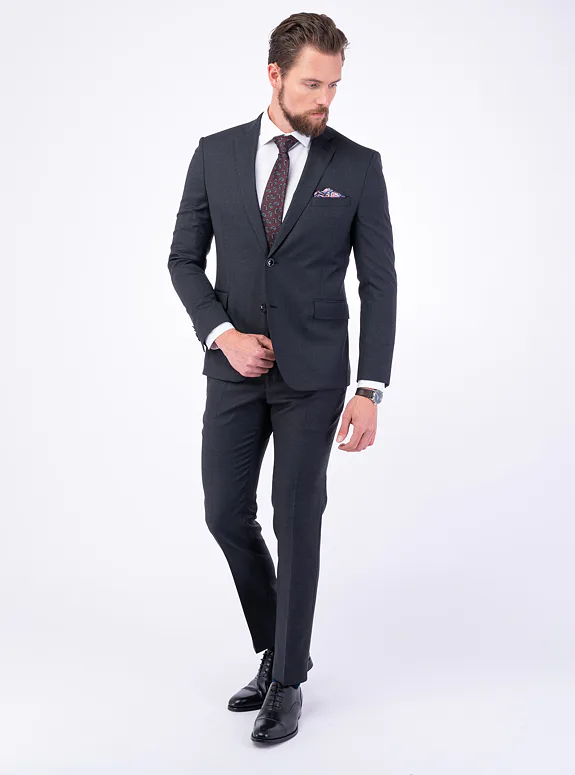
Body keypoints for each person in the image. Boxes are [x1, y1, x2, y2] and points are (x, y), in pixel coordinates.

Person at [167, 12, 397, 745]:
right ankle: (278, 645)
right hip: (234, 369)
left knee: (297, 518)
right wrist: (223, 334)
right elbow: (182, 259)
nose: (324, 98)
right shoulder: (215, 153)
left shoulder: (356, 166)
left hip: (315, 377)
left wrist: (370, 387)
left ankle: (288, 680)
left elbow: (379, 282)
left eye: (333, 85)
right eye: (311, 84)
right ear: (274, 75)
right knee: (223, 513)